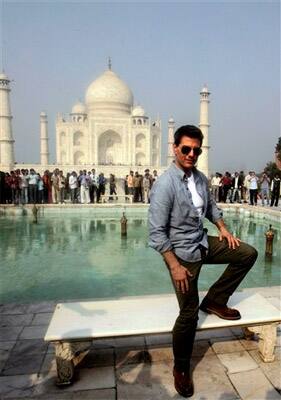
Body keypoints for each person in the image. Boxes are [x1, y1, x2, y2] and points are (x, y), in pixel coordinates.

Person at [148, 125, 258, 398]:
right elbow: (156, 233)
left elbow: (210, 206)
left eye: (196, 150)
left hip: (203, 241)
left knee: (247, 253)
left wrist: (222, 227)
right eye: (186, 149)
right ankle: (181, 368)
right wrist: (174, 265)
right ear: (174, 148)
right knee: (189, 314)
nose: (191, 154)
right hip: (182, 254)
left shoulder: (199, 178)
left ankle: (216, 299)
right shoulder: (165, 185)